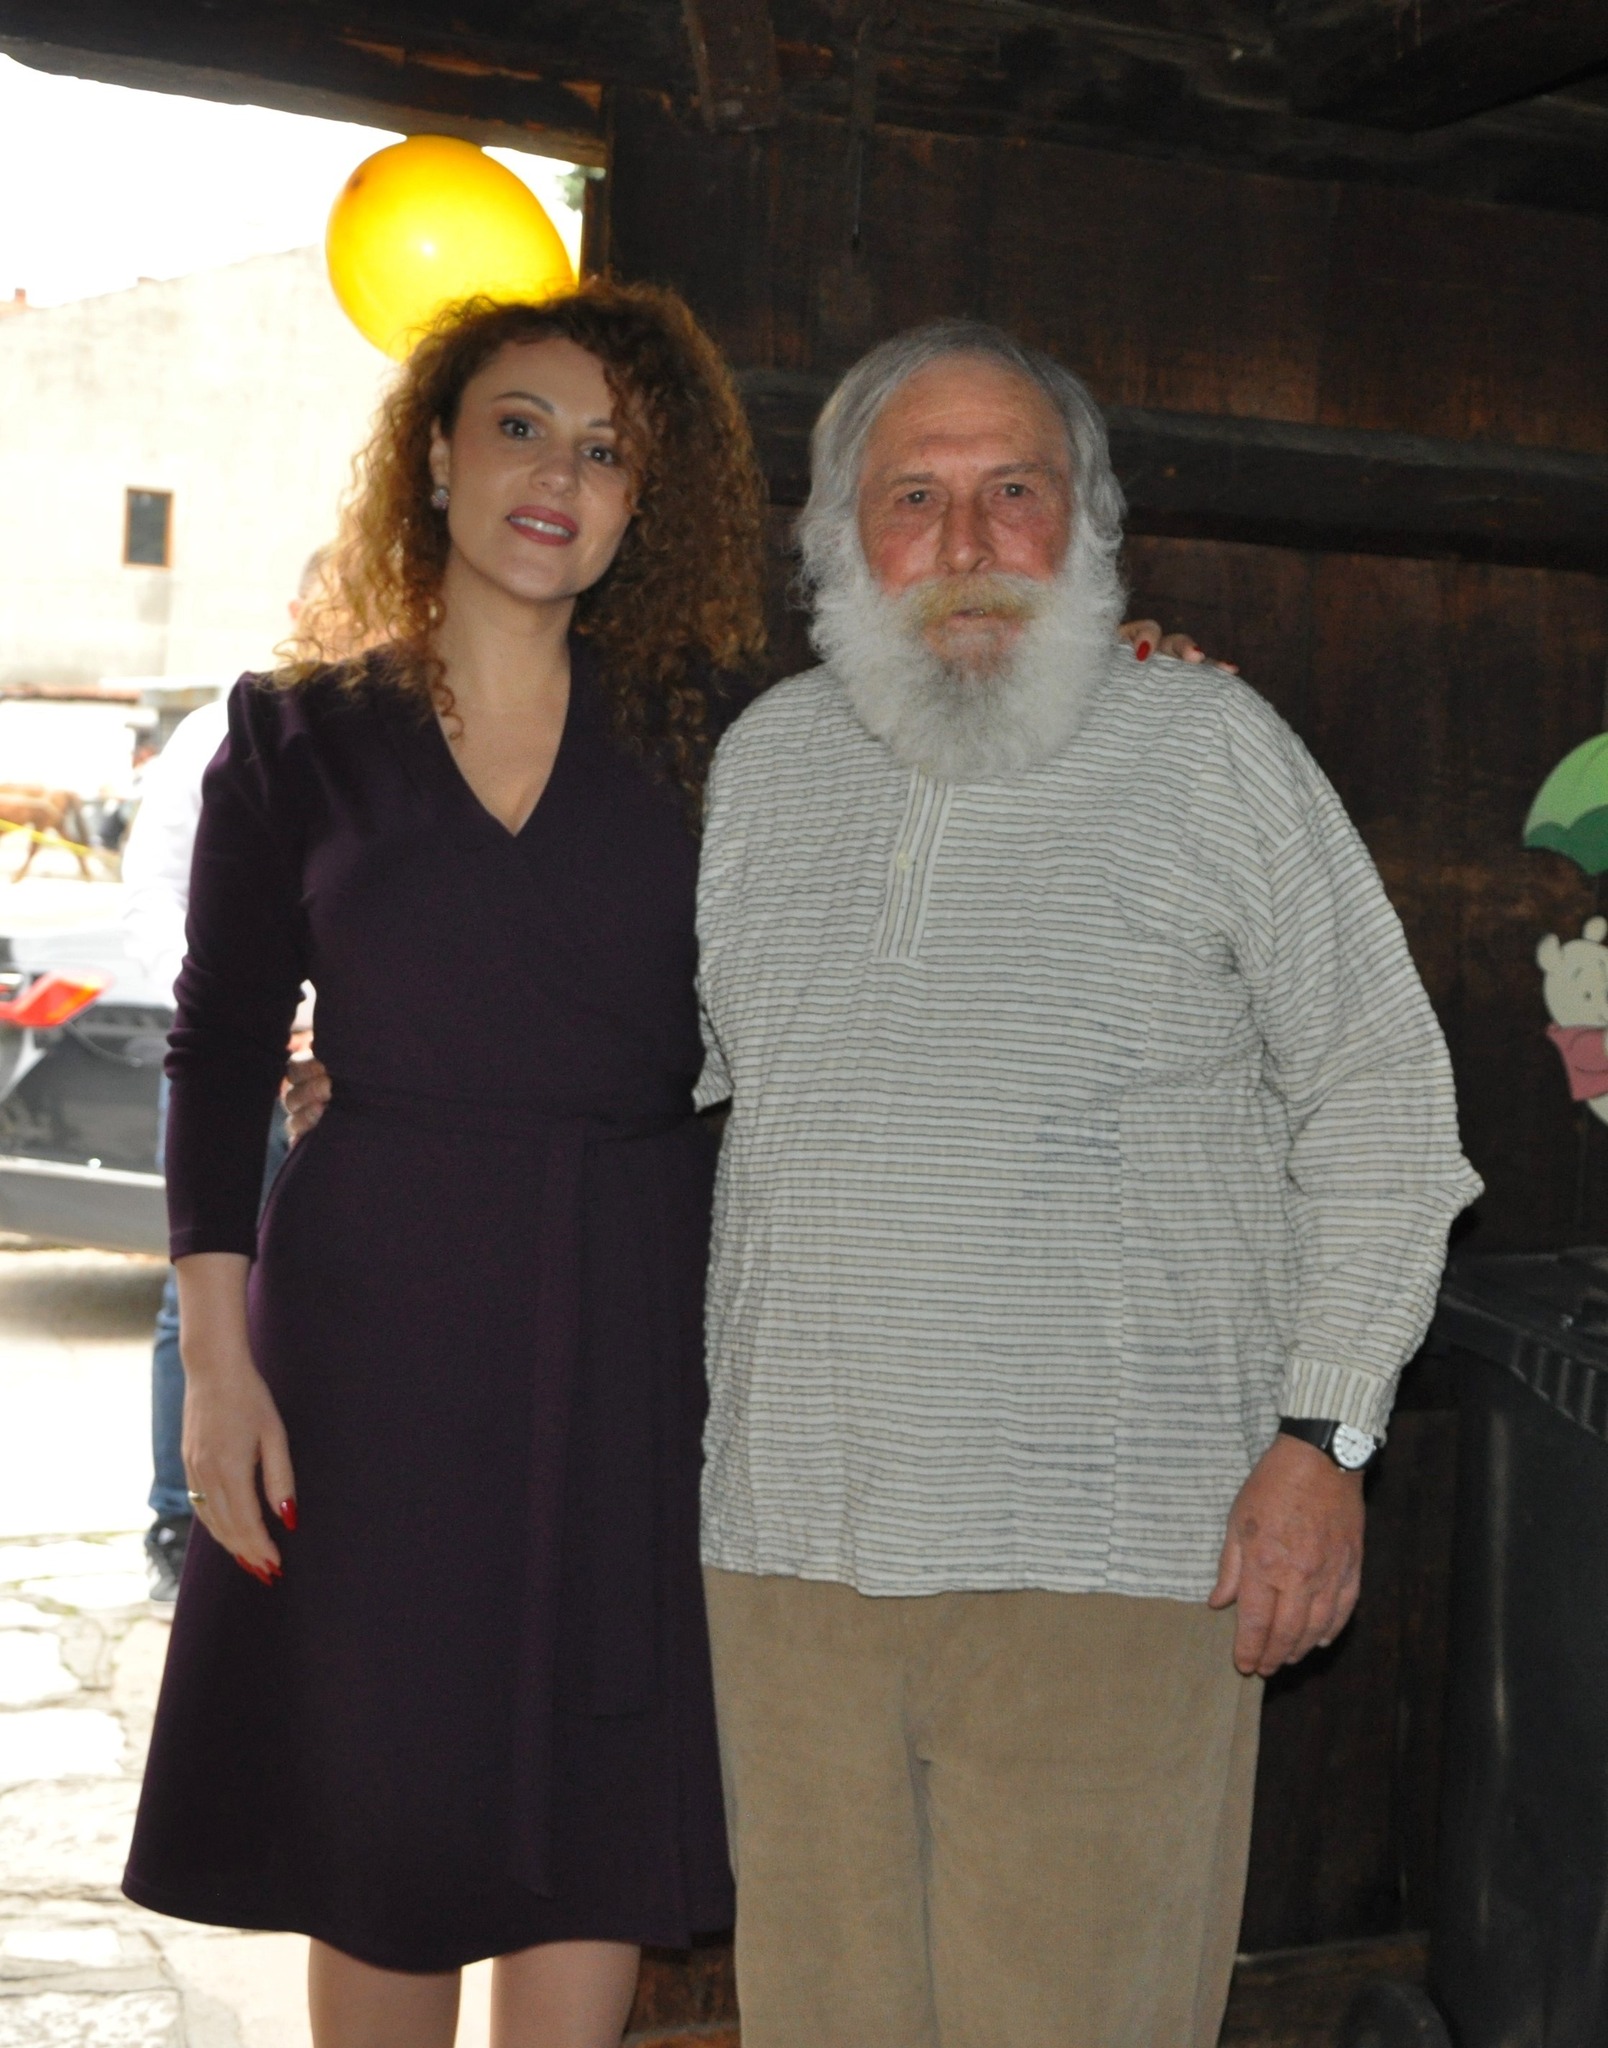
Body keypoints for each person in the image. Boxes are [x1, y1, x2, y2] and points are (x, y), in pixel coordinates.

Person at [685, 321, 1483, 2048]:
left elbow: (1384, 1106)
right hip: (788, 1555)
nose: (966, 542)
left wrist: (1326, 1437)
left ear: (1088, 521)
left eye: (1014, 491)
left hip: (1114, 1556)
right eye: (914, 497)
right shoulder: (763, 769)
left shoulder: (1209, 747)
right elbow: (673, 1076)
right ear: (839, 535)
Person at [123, 281, 766, 2048]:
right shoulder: (295, 735)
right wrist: (217, 1367)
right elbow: (220, 1047)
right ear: (433, 456)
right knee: (385, 1808)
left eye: (608, 451)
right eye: (519, 427)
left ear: (645, 504)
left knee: (595, 1806)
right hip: (369, 1329)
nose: (559, 474)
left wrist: (1131, 661)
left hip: (630, 1312)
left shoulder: (724, 745)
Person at [124, 552, 326, 1602]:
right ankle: (177, 1513)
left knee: (299, 1288)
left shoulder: (387, 741)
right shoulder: (223, 731)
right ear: (297, 608)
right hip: (232, 1053)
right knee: (199, 1294)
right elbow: (155, 902)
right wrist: (258, 1009)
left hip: (328, 1063)